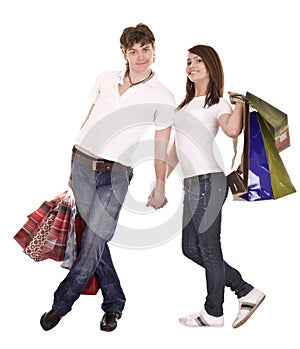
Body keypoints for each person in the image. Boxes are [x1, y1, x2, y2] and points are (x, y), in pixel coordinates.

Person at [40, 23, 175, 332]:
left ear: (154, 50)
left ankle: (60, 305)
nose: (140, 56)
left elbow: (160, 143)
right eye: (133, 51)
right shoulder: (104, 79)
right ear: (124, 54)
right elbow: (90, 118)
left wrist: (160, 184)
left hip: (116, 176)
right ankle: (114, 303)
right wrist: (72, 161)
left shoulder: (163, 95)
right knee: (94, 240)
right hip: (82, 165)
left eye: (146, 49)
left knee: (92, 243)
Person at [165, 44, 265, 328]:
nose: (192, 65)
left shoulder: (217, 103)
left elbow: (233, 129)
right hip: (191, 184)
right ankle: (246, 290)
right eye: (188, 61)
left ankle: (214, 312)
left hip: (210, 180)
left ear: (211, 66)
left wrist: (241, 103)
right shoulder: (183, 107)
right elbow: (176, 148)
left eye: (198, 60)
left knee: (208, 248)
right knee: (190, 248)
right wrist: (160, 180)